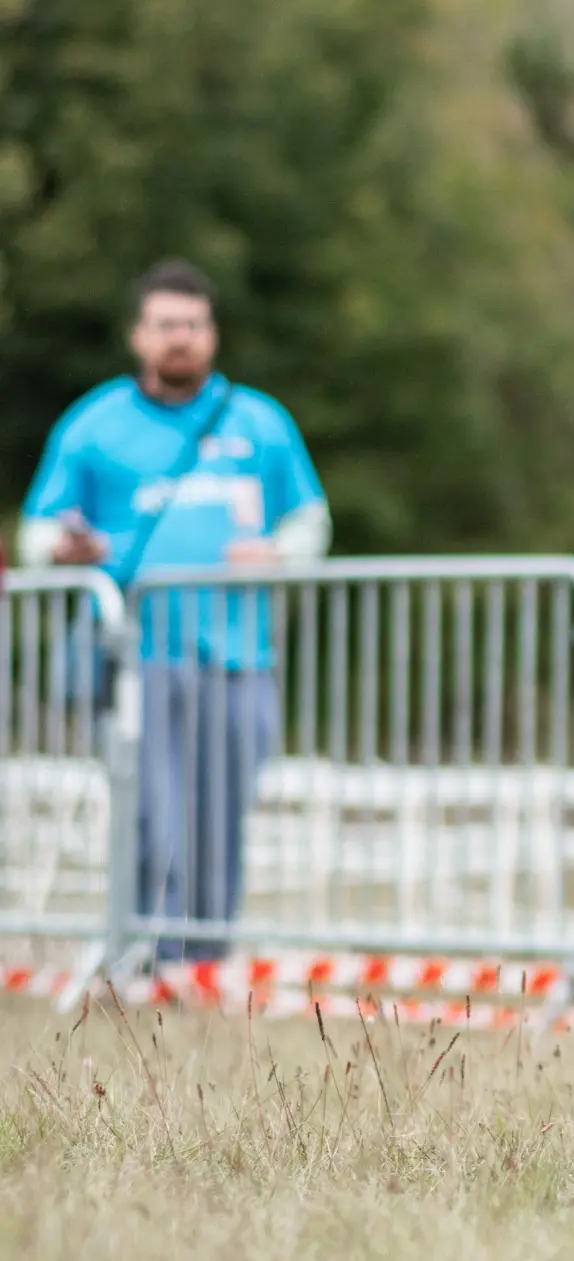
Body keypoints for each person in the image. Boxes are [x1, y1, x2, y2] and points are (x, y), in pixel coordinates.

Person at [17, 258, 330, 963]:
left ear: (211, 334)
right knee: (153, 815)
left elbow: (311, 521)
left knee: (220, 820)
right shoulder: (94, 423)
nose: (179, 338)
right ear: (139, 335)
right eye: (165, 325)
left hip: (237, 655)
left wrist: (278, 552)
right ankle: (144, 956)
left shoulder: (260, 421)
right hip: (137, 658)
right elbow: (37, 534)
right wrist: (67, 550)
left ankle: (203, 964)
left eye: (191, 324)